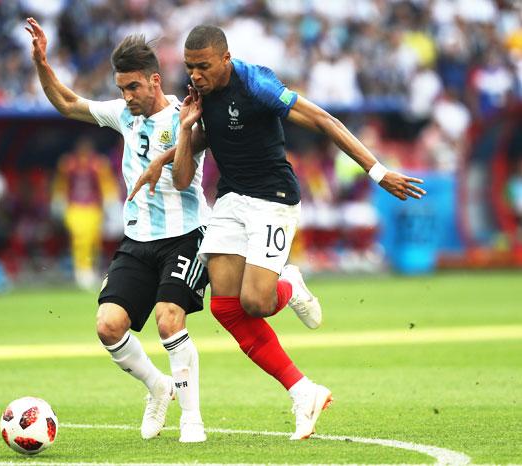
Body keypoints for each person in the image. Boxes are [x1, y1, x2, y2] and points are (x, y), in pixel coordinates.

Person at [171, 25, 425, 440]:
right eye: (189, 67)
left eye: (202, 66)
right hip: (232, 199)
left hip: (273, 198)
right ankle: (303, 390)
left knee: (255, 301)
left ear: (225, 58)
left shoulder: (257, 85)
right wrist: (183, 132)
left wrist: (377, 171)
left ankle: (288, 283)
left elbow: (323, 119)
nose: (195, 75)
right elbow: (185, 174)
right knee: (225, 308)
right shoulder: (200, 96)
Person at [26, 17, 210, 442]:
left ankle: (192, 419)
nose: (125, 97)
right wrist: (42, 64)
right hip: (138, 239)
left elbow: (183, 181)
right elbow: (68, 104)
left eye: (132, 88)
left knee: (169, 320)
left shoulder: (185, 117)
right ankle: (157, 387)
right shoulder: (122, 115)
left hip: (185, 235)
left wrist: (183, 133)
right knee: (108, 325)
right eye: (121, 88)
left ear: (154, 80)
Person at [53, 137, 119, 289]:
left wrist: (110, 200)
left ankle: (90, 269)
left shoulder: (98, 164)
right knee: (79, 238)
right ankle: (81, 270)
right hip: (75, 206)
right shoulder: (68, 164)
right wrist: (58, 199)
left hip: (92, 206)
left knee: (93, 239)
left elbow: (106, 183)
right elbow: (60, 183)